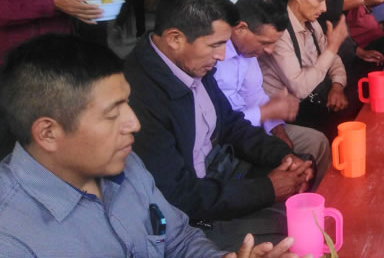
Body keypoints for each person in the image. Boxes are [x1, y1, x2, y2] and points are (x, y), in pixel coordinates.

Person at [0, 34, 310, 257]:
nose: (134, 124)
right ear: (48, 133)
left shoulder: (128, 166)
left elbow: (178, 239)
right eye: (112, 113)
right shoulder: (12, 239)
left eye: (127, 103)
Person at [123, 0, 314, 249]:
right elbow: (178, 195)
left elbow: (231, 124)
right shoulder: (139, 96)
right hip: (193, 218)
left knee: (305, 176)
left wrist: (282, 155)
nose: (222, 56)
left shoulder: (192, 65)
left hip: (225, 173)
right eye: (215, 45)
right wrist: (268, 189)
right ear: (175, 39)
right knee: (296, 235)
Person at [215, 0, 330, 183]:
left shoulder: (248, 52)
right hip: (231, 139)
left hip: (256, 127)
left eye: (274, 43)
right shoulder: (213, 58)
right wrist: (267, 112)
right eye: (265, 43)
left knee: (317, 142)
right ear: (241, 28)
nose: (269, 50)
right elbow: (222, 126)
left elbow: (254, 93)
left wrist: (277, 129)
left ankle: (315, 196)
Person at [258, 0, 353, 139]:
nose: (324, 8)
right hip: (291, 113)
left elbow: (333, 60)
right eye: (320, 0)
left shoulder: (312, 24)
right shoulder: (279, 32)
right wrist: (332, 48)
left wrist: (337, 87)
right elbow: (300, 89)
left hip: (318, 98)